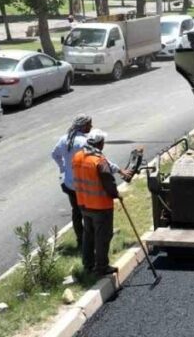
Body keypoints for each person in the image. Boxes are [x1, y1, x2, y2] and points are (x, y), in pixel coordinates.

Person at [72, 129, 123, 276]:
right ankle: (102, 266)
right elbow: (108, 181)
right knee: (103, 236)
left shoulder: (77, 157)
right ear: (100, 143)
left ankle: (88, 264)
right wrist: (116, 194)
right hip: (101, 206)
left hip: (83, 204)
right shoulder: (98, 161)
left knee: (88, 235)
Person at [51, 114, 92, 252]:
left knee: (76, 212)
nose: (91, 127)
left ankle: (80, 240)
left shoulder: (64, 139)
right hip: (83, 184)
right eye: (89, 124)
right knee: (87, 212)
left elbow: (54, 154)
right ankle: (88, 241)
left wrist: (63, 167)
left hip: (69, 183)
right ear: (83, 126)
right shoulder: (84, 142)